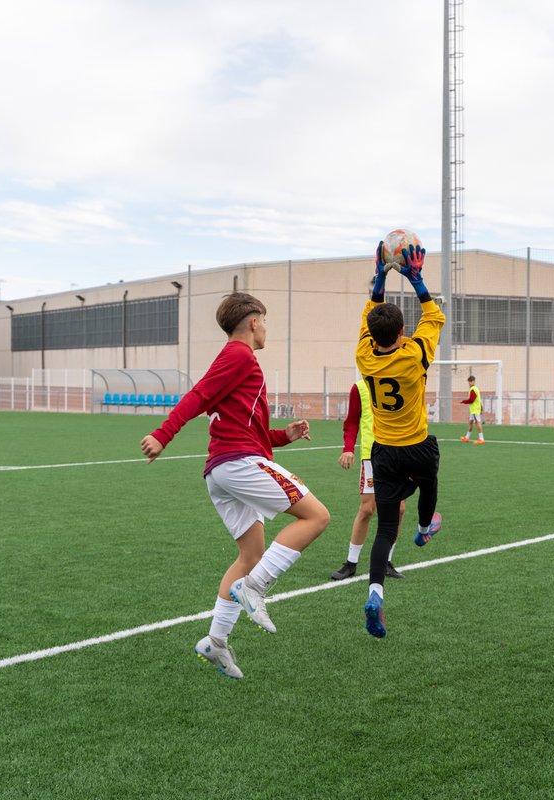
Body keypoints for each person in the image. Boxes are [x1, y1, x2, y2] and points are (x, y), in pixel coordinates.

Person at [140, 292, 330, 679]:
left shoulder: (238, 361)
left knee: (250, 555)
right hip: (238, 463)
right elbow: (199, 395)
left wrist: (284, 436)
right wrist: (163, 434)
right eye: (265, 321)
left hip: (223, 469)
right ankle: (255, 588)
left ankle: (216, 641)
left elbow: (248, 429)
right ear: (254, 322)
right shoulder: (239, 356)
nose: (267, 329)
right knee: (317, 517)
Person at [355, 239, 446, 638]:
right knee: (430, 484)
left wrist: (380, 278)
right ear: (403, 331)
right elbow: (434, 314)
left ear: (372, 334)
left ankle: (375, 594)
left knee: (386, 529)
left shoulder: (363, 356)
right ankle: (425, 528)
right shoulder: (415, 354)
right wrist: (415, 278)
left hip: (385, 452)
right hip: (418, 446)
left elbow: (370, 316)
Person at [331, 378, 406, 581]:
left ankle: (387, 562)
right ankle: (351, 563)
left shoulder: (399, 381)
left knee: (399, 509)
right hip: (372, 456)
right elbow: (352, 422)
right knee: (367, 509)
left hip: (398, 455)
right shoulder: (360, 387)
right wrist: (348, 448)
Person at [459, 374, 485, 444]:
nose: (470, 383)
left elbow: (471, 400)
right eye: (469, 382)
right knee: (470, 422)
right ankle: (467, 437)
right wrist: (481, 408)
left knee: (477, 422)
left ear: (474, 381)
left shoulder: (473, 389)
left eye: (471, 381)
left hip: (475, 409)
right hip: (473, 409)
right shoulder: (475, 388)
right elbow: (478, 400)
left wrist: (464, 401)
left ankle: (481, 439)